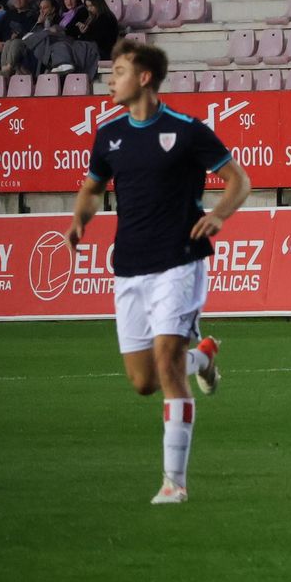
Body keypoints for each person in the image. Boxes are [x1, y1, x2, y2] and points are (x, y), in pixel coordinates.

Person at [66, 41, 252, 503]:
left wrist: (219, 215)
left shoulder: (186, 131)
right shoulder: (108, 136)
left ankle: (175, 482)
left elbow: (238, 179)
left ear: (145, 78)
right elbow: (91, 189)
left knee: (166, 364)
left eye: (121, 71)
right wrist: (78, 220)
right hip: (129, 266)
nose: (111, 80)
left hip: (179, 260)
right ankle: (203, 357)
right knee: (144, 381)